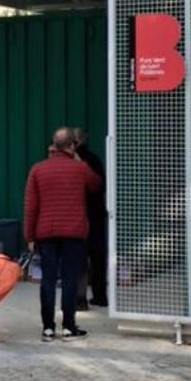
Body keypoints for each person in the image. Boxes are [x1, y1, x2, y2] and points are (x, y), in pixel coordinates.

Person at [24, 127, 102, 341]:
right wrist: (78, 160)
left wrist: (29, 236)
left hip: (46, 232)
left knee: (48, 279)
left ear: (53, 145)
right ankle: (69, 326)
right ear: (72, 146)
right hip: (73, 232)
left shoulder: (37, 170)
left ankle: (48, 328)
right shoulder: (79, 169)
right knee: (70, 279)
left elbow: (31, 206)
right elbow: (96, 184)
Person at [73, 127, 108, 307]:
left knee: (79, 258)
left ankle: (80, 299)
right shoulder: (94, 159)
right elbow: (101, 185)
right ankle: (100, 296)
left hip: (78, 215)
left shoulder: (72, 161)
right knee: (98, 258)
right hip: (95, 214)